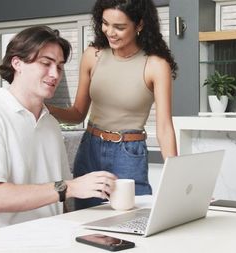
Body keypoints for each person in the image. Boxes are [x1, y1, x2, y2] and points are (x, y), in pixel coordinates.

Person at [0, 25, 117, 236]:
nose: (55, 74)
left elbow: (61, 198)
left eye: (59, 66)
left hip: (50, 237)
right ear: (17, 63)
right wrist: (71, 187)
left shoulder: (49, 123)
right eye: (46, 63)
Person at [47, 0, 178, 210]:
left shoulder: (155, 65)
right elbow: (78, 113)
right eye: (105, 23)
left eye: (120, 27)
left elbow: (164, 128)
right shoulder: (93, 55)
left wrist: (176, 179)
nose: (110, 32)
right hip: (90, 147)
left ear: (140, 25)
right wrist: (45, 109)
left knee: (135, 219)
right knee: (84, 218)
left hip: (128, 152)